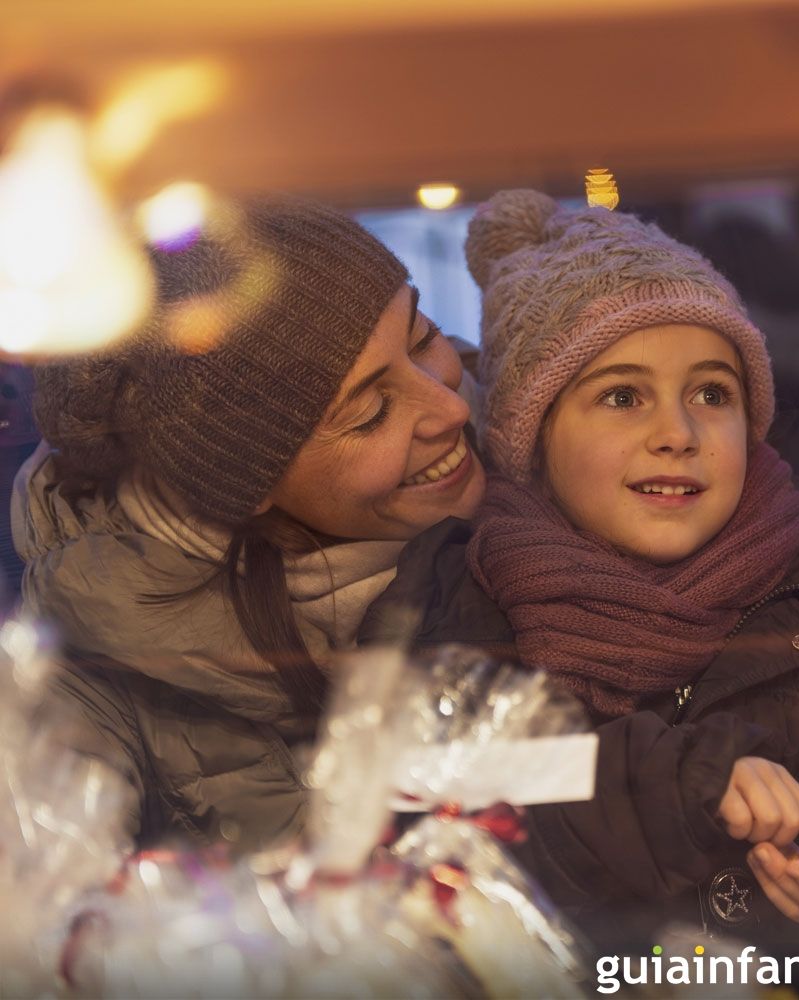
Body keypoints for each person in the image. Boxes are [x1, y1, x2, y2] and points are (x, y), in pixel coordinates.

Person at [360, 190, 799, 949]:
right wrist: (687, 780)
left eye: (711, 393)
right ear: (531, 437)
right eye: (623, 396)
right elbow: (436, 800)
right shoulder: (459, 603)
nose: (678, 432)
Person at [13, 195, 486, 851]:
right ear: (248, 484)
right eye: (372, 411)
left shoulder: (562, 450)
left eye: (423, 338)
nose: (451, 409)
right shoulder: (87, 680)